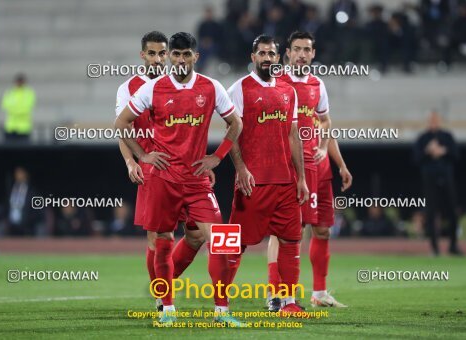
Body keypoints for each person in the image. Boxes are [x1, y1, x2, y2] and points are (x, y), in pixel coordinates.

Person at [115, 32, 243, 326]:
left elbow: (236, 122)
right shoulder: (154, 89)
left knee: (223, 241)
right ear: (170, 57)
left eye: (187, 55)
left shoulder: (211, 87)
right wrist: (141, 157)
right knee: (161, 241)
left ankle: (222, 312)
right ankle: (167, 309)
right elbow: (121, 122)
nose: (180, 60)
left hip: (197, 180)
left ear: (195, 57)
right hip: (163, 178)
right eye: (176, 55)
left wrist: (218, 156)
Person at [115, 31, 208, 312]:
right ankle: (162, 297)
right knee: (158, 237)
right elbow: (122, 128)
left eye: (162, 53)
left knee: (197, 236)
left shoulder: (180, 85)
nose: (157, 59)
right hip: (153, 170)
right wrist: (133, 161)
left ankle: (163, 284)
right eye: (152, 53)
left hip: (187, 172)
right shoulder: (128, 87)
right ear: (142, 55)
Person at [267, 31, 352, 310]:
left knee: (323, 230)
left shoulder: (318, 84)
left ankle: (319, 292)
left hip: (321, 169)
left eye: (307, 49)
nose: (302, 54)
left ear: (313, 54)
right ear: (287, 53)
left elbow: (325, 122)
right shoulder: (276, 82)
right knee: (288, 232)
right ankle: (275, 293)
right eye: (297, 49)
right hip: (293, 169)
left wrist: (338, 162)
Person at [226, 34, 309, 316]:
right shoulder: (239, 88)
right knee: (235, 243)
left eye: (271, 54)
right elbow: (231, 134)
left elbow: (293, 135)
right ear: (253, 58)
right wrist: (241, 169)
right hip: (253, 182)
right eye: (261, 54)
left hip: (285, 182)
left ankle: (288, 303)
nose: (267, 58)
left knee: (290, 241)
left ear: (278, 57)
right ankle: (220, 303)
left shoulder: (288, 91)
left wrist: (301, 179)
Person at [414, 110, 462, 256]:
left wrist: (443, 151)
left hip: (446, 178)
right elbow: (415, 159)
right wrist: (428, 151)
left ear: (439, 120)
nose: (433, 122)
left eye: (435, 119)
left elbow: (456, 155)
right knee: (431, 214)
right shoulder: (422, 138)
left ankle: (453, 246)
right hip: (429, 179)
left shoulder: (447, 136)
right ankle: (434, 249)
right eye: (431, 119)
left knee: (452, 213)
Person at [2, 74, 36, 143]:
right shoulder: (9, 92)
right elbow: (4, 106)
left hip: (24, 128)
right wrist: (18, 109)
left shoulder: (29, 93)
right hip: (10, 127)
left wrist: (14, 109)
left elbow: (27, 108)